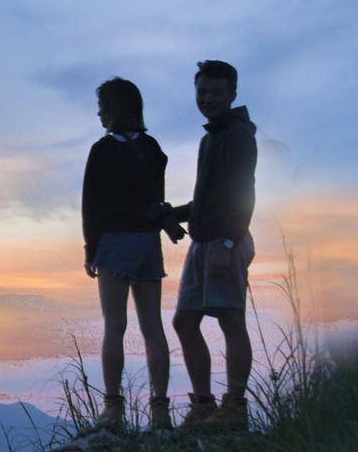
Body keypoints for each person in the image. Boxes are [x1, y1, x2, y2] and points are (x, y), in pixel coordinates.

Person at [168, 59, 258, 429]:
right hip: (203, 242)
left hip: (224, 241)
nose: (207, 98)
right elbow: (207, 201)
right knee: (185, 321)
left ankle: (234, 408)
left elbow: (242, 192)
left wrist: (226, 240)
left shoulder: (237, 135)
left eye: (216, 92)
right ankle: (204, 405)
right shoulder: (212, 138)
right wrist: (171, 213)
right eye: (202, 91)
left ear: (232, 94)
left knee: (230, 319)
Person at [81, 77, 176, 430]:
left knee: (115, 326)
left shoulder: (102, 150)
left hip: (115, 245)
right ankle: (160, 408)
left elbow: (92, 206)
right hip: (148, 244)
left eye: (102, 107)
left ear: (114, 109)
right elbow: (157, 202)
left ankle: (113, 407)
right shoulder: (152, 148)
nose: (99, 114)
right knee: (153, 327)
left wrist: (91, 250)